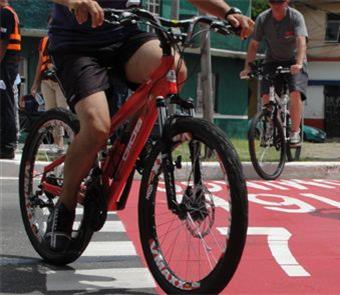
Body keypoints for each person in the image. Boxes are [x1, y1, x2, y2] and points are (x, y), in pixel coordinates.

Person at [45, 0, 253, 253]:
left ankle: (135, 138)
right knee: (97, 129)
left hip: (125, 37)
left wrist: (228, 12)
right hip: (76, 44)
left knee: (173, 69)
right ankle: (64, 207)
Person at [240, 0, 308, 147]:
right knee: (266, 95)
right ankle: (272, 125)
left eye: (280, 1)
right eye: (272, 1)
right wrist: (248, 67)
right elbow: (254, 44)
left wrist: (299, 63)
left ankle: (295, 132)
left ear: (286, 2)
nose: (276, 5)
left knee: (295, 92)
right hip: (272, 60)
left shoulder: (295, 17)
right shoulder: (263, 18)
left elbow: (301, 41)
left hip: (295, 59)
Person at [31, 24, 69, 153]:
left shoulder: (66, 39)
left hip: (60, 82)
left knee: (63, 112)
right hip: (46, 81)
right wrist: (35, 84)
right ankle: (58, 145)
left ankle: (70, 143)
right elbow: (39, 63)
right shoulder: (44, 41)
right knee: (50, 112)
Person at [0, 0, 20, 159]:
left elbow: (3, 40)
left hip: (6, 63)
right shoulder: (8, 12)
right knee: (3, 102)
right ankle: (5, 143)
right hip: (7, 63)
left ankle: (8, 145)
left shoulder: (5, 12)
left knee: (6, 102)